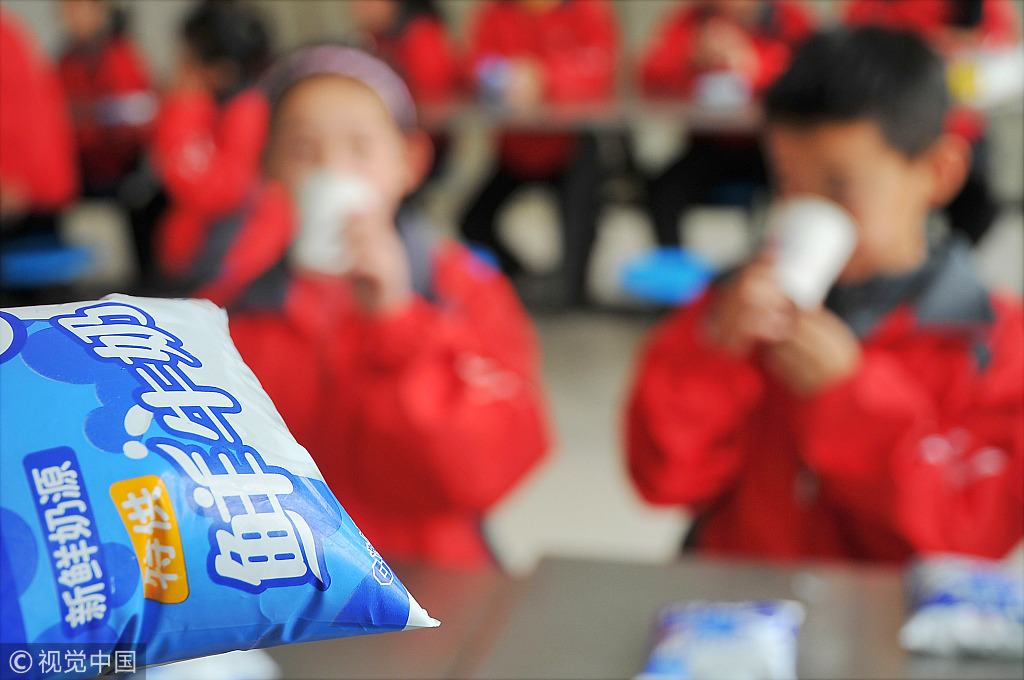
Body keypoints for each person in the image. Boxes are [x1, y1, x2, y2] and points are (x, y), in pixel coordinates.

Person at [626, 27, 1023, 562]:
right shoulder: (732, 308)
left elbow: (973, 537)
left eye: (840, 185)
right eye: (789, 183)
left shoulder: (990, 342)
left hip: (886, 610)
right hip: (746, 597)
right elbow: (663, 481)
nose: (808, 208)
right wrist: (714, 353)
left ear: (938, 172)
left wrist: (851, 400)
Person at [201, 46, 549, 568]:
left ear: (411, 161)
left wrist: (397, 319)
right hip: (292, 581)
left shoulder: (465, 291)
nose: (331, 169)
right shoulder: (230, 311)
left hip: (431, 578)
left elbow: (487, 470)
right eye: (302, 148)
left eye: (360, 147)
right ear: (268, 167)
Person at [460, 0, 619, 306]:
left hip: (570, 147)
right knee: (473, 221)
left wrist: (546, 77)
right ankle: (522, 279)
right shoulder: (497, 13)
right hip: (516, 149)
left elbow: (602, 69)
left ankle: (572, 293)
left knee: (581, 218)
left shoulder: (584, 10)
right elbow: (470, 66)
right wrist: (499, 77)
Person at [843, 0, 1022, 245]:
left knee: (979, 212)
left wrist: (964, 47)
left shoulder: (984, 6)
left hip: (962, 126)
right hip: (897, 128)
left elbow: (1001, 43)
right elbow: (857, 43)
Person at [639, 0, 815, 248]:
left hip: (772, 151)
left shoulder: (788, 19)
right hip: (709, 147)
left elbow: (810, 82)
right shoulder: (693, 19)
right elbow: (649, 74)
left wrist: (754, 65)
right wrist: (690, 60)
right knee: (662, 191)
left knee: (800, 196)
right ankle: (676, 269)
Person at [152, 0, 272, 292]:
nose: (179, 67)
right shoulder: (220, 106)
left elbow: (209, 190)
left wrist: (184, 105)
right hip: (195, 252)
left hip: (216, 264)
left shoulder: (246, 112)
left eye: (189, 59)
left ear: (222, 70)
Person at [56, 0, 160, 283]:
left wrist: (98, 113)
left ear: (99, 12)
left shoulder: (122, 54)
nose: (70, 18)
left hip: (126, 172)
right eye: (65, 11)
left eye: (77, 9)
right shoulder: (65, 62)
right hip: (83, 173)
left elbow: (143, 110)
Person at [0, 8, 78, 243]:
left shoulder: (5, 39)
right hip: (29, 187)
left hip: (25, 194)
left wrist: (14, 177)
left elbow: (22, 116)